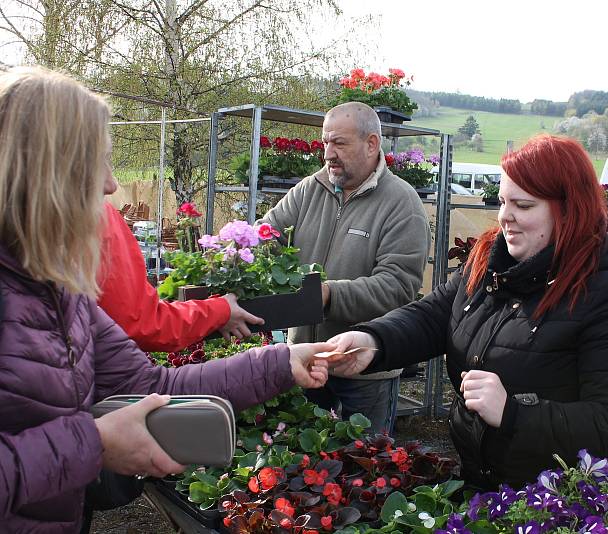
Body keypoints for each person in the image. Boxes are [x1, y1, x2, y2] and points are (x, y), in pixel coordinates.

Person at [0, 66, 334, 532]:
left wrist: (281, 362)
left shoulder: (62, 292)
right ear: (48, 173)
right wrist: (91, 443)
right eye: (99, 162)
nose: (112, 186)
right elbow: (145, 324)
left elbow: (155, 386)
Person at [322, 134, 608, 489]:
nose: (505, 217)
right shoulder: (489, 263)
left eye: (524, 205)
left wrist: (514, 414)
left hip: (564, 509)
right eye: (503, 201)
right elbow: (434, 316)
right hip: (486, 488)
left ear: (569, 208)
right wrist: (372, 340)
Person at [257, 102, 430, 433]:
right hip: (306, 360)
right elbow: (268, 233)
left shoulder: (401, 203)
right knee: (299, 464)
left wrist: (328, 294)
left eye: (339, 143)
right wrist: (238, 254)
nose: (328, 153)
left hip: (365, 370)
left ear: (371, 144)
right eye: (325, 142)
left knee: (362, 468)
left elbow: (398, 287)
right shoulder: (310, 189)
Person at [98, 197, 264, 351]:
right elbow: (142, 324)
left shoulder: (92, 213)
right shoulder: (96, 217)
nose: (112, 184)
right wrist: (220, 311)